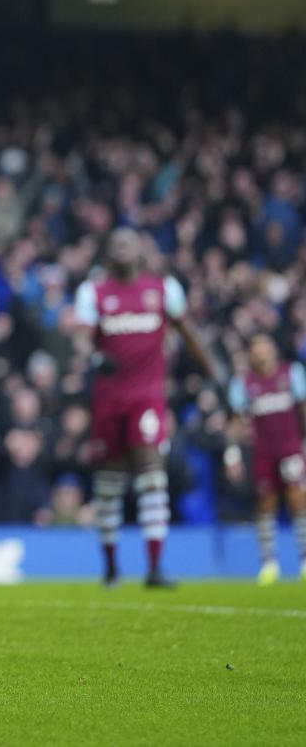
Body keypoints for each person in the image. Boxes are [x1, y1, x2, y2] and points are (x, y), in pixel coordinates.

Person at [73, 228, 220, 589]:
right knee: (108, 485)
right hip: (108, 399)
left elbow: (189, 334)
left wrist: (216, 374)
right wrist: (93, 356)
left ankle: (154, 568)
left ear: (141, 251)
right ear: (108, 254)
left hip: (147, 397)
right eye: (116, 243)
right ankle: (110, 567)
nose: (122, 248)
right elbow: (79, 338)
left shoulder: (164, 290)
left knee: (152, 474)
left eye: (129, 243)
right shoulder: (93, 292)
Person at [226, 334, 306, 585]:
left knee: (298, 499)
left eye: (264, 347)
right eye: (255, 348)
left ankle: (304, 560)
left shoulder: (291, 374)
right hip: (263, 452)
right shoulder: (243, 384)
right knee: (266, 503)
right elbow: (236, 423)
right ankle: (269, 563)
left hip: (290, 448)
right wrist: (232, 455)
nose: (260, 353)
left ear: (273, 350)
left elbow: (303, 409)